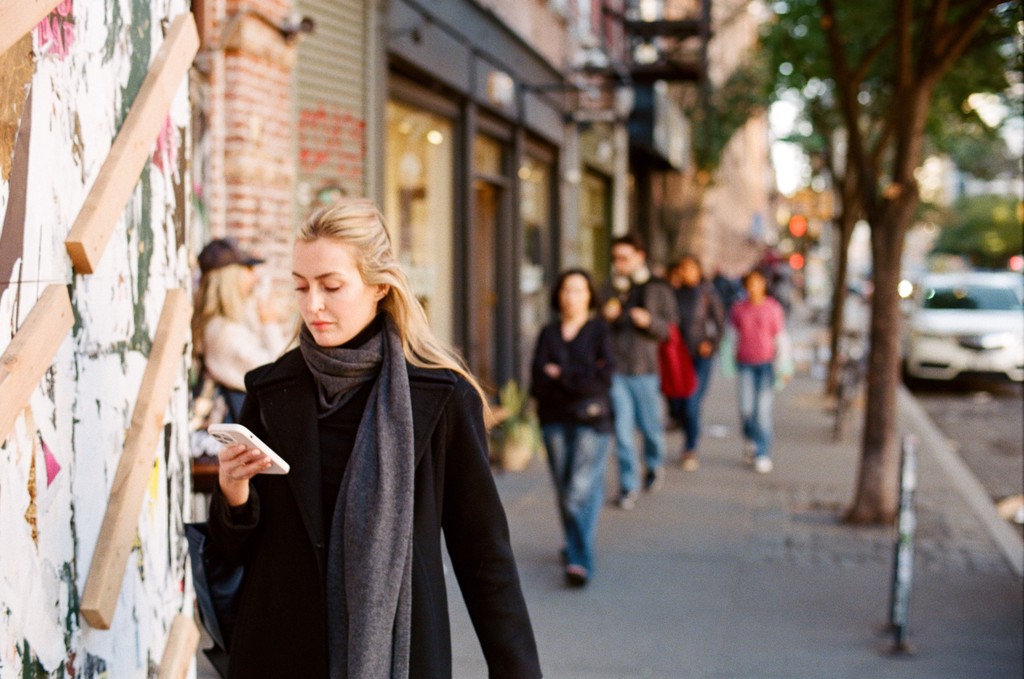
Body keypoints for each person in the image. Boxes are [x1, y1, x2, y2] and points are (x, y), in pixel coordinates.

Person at [206, 199, 542, 678]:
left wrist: (518, 670)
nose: (312, 305)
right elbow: (233, 551)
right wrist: (233, 494)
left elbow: (483, 553)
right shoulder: (272, 389)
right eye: (301, 287)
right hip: (279, 651)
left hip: (398, 654)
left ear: (380, 285)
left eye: (332, 286)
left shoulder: (441, 398)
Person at [530, 269, 614, 588]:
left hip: (591, 420)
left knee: (578, 489)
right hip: (553, 418)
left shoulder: (599, 332)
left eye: (578, 290)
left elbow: (603, 379)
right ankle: (578, 545)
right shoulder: (548, 333)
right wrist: (577, 376)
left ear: (589, 295)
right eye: (566, 290)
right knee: (567, 489)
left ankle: (580, 559)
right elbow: (539, 379)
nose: (571, 296)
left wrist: (560, 375)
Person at [601, 233, 678, 510]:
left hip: (645, 369)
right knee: (622, 431)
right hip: (617, 369)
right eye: (615, 259)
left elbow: (670, 330)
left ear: (639, 257)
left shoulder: (657, 288)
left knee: (650, 428)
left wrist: (649, 322)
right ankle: (628, 485)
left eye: (624, 258)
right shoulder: (610, 287)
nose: (619, 264)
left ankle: (655, 464)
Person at [191, 238, 289, 423]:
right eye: (248, 270)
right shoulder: (223, 332)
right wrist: (270, 324)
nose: (255, 277)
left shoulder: (221, 325)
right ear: (230, 276)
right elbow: (277, 375)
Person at [666, 255, 725, 471]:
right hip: (677, 356)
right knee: (677, 401)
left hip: (701, 357)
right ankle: (685, 429)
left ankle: (690, 447)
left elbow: (720, 323)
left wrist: (710, 343)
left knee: (692, 402)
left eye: (691, 268)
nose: (686, 272)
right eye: (683, 268)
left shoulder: (707, 294)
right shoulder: (673, 293)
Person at [729, 269, 786, 474]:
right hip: (744, 363)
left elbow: (780, 338)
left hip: (766, 365)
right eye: (750, 283)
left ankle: (762, 452)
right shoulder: (738, 309)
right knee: (746, 409)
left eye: (757, 282)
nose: (753, 287)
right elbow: (732, 335)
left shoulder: (773, 308)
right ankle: (751, 440)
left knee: (762, 411)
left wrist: (784, 366)